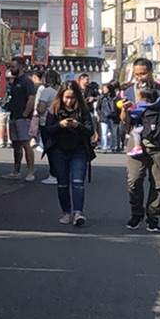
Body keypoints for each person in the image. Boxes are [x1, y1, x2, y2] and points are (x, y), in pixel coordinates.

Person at [39, 81, 95, 227]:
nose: (69, 101)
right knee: (62, 184)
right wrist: (60, 125)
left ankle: (78, 213)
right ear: (61, 97)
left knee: (78, 183)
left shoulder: (83, 111)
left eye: (72, 98)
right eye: (66, 97)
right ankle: (66, 212)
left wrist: (78, 125)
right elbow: (48, 130)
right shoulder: (54, 110)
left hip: (79, 151)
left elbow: (90, 131)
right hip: (59, 150)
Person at [120, 57, 158, 226]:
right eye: (136, 74)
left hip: (158, 139)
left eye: (142, 74)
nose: (139, 78)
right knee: (134, 180)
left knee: (158, 182)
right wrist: (124, 110)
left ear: (150, 72)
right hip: (136, 138)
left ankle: (153, 217)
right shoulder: (130, 91)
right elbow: (124, 120)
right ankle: (136, 213)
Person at [2, 60, 38, 183]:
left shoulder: (27, 81)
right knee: (16, 144)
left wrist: (25, 114)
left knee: (26, 144)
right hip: (14, 116)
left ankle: (30, 172)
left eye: (13, 66)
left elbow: (31, 99)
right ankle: (16, 171)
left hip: (22, 118)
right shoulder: (15, 81)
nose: (11, 68)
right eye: (10, 66)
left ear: (20, 66)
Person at [34, 69, 61, 181]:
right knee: (56, 148)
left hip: (46, 121)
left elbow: (41, 108)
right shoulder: (58, 91)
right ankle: (59, 172)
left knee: (49, 148)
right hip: (56, 122)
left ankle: (53, 174)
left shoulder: (47, 91)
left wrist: (37, 108)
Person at [97, 80, 121, 154]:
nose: (104, 90)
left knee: (113, 134)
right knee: (104, 133)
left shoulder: (115, 98)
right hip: (104, 118)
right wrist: (100, 114)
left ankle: (113, 147)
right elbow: (98, 108)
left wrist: (117, 116)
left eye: (105, 88)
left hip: (113, 118)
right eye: (103, 88)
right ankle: (104, 147)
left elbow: (118, 108)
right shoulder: (101, 98)